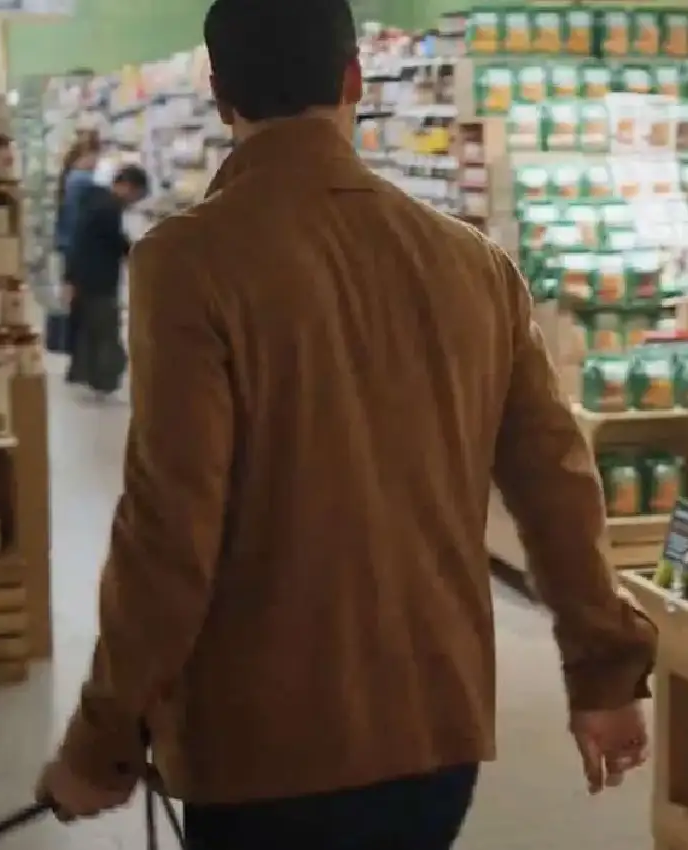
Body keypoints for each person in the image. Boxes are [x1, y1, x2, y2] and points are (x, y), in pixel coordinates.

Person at [36, 0, 657, 847]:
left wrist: (102, 738)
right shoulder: (473, 263)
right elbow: (557, 485)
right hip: (436, 729)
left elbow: (170, 530)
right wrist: (604, 674)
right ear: (354, 79)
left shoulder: (188, 261)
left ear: (220, 96)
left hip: (262, 743)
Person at [65, 164, 149, 396]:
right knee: (105, 329)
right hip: (98, 279)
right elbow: (115, 241)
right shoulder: (108, 208)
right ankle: (104, 378)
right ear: (127, 186)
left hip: (88, 278)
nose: (133, 201)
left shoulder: (98, 202)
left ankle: (92, 376)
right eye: (136, 195)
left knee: (93, 328)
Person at [54, 134, 101, 382]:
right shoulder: (83, 182)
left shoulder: (70, 178)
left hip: (69, 250)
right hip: (81, 253)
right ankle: (82, 366)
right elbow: (78, 224)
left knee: (76, 308)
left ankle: (76, 365)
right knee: (85, 311)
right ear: (86, 156)